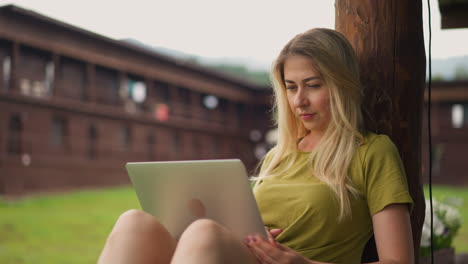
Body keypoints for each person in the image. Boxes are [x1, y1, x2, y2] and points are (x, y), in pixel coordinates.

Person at [97, 28, 414, 264]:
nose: (299, 100)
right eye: (290, 88)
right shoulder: (280, 156)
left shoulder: (373, 152)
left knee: (203, 234)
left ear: (342, 85)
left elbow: (399, 262)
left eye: (313, 85)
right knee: (134, 222)